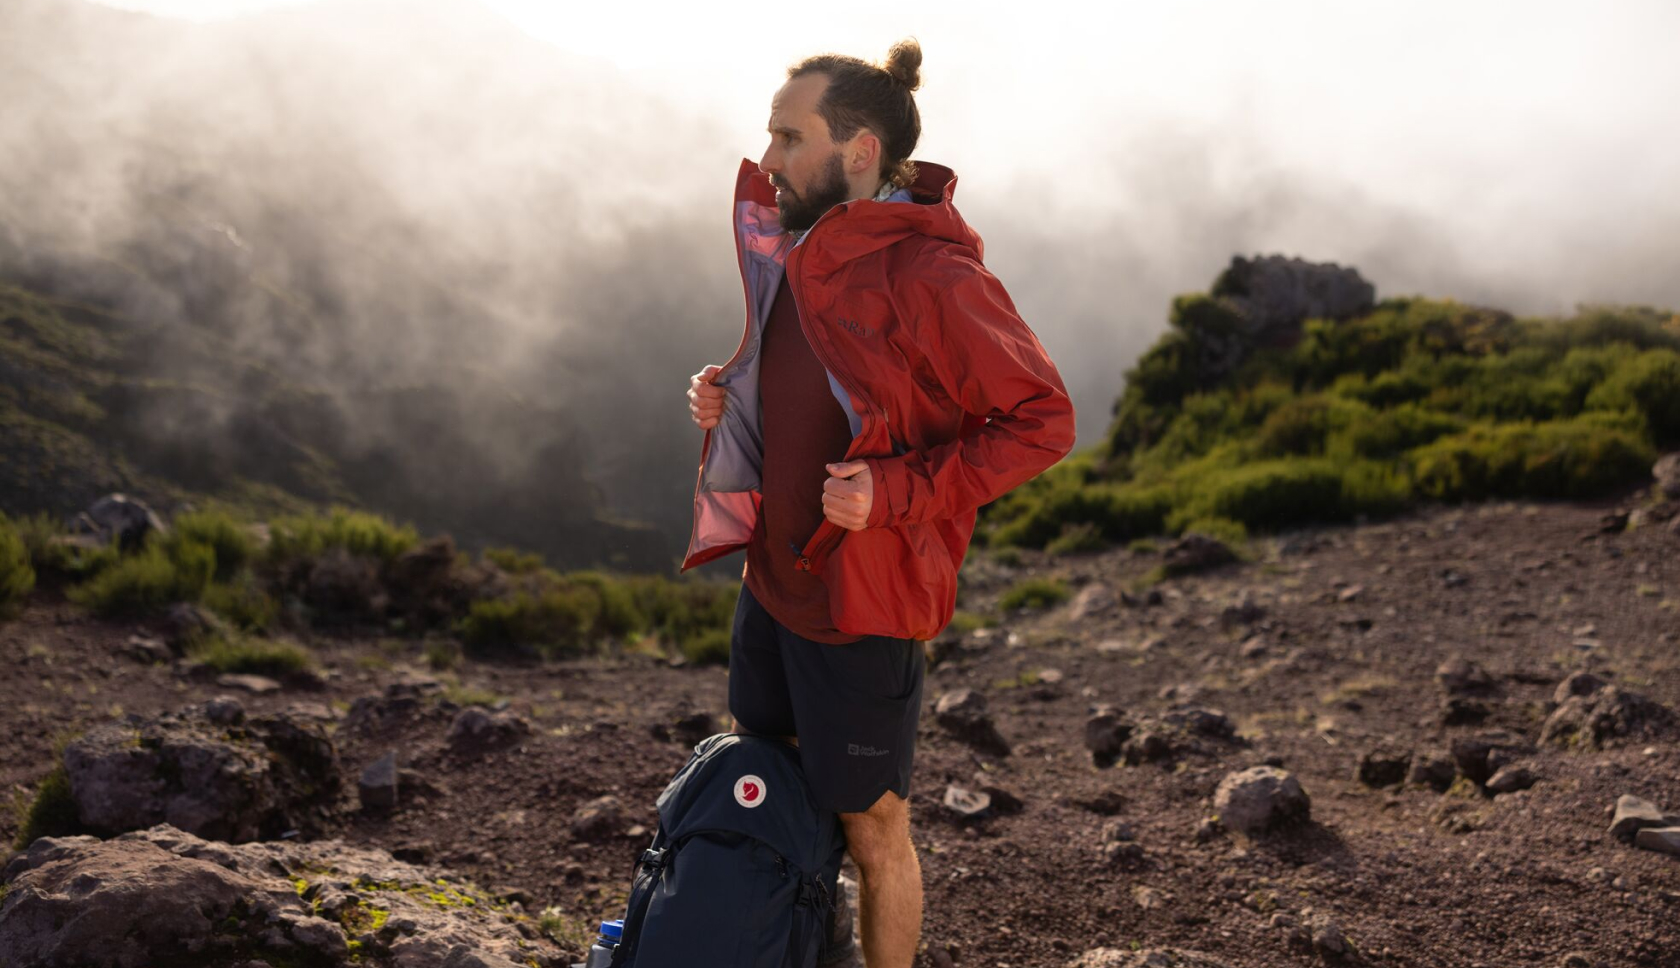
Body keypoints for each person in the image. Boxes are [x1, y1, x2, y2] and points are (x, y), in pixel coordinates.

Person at [682, 39, 1075, 968]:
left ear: (858, 151)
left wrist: (896, 492)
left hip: (863, 603)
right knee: (769, 789)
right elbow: (813, 389)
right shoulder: (801, 247)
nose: (768, 159)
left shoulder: (932, 276)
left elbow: (1042, 421)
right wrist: (726, 394)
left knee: (874, 826)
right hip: (774, 585)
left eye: (789, 136)